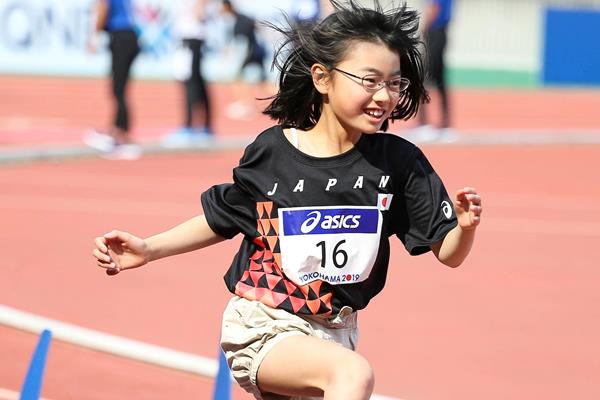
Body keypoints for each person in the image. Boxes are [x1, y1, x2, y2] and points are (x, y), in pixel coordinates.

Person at [91, 1, 483, 399]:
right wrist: (149, 248)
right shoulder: (275, 152)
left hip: (336, 332)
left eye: (394, 83)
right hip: (265, 323)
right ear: (322, 78)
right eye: (369, 81)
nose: (384, 96)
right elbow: (223, 217)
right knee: (352, 376)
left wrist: (465, 228)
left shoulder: (400, 163)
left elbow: (447, 251)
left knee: (344, 370)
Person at [84, 0, 142, 160]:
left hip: (121, 37)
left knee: (118, 89)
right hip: (129, 36)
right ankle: (117, 130)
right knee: (119, 88)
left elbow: (103, 8)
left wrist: (94, 36)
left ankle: (122, 135)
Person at [162, 0, 214, 147]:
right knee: (195, 83)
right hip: (189, 43)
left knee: (191, 84)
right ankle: (202, 125)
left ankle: (191, 126)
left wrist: (199, 10)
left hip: (192, 42)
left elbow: (201, 10)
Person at [412, 0, 454, 143]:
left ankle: (424, 124)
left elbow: (433, 7)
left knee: (424, 78)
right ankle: (445, 123)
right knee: (438, 79)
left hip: (434, 32)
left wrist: (423, 29)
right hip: (442, 32)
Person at [221, 0, 270, 120]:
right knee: (261, 83)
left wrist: (239, 60)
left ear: (227, 7)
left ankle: (244, 105)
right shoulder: (240, 19)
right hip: (253, 52)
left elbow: (243, 43)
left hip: (249, 53)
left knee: (238, 79)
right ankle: (245, 103)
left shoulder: (240, 21)